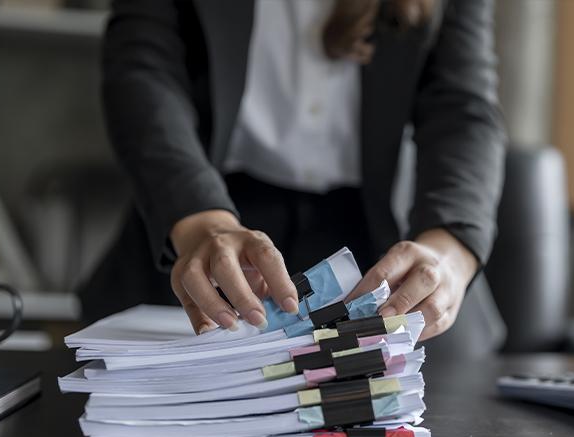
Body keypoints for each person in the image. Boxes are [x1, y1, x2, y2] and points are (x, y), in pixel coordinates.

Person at [81, 0, 506, 352]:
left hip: (370, 240)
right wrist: (197, 219)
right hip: (204, 222)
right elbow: (142, 70)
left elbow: (462, 110)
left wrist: (449, 251)